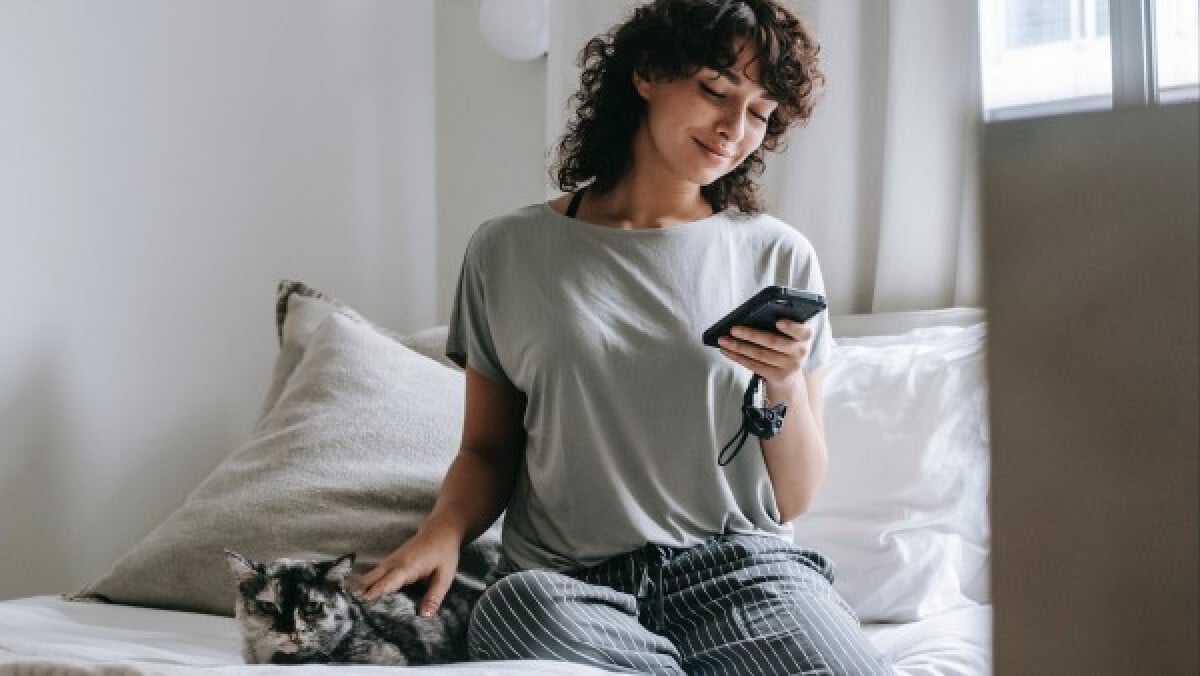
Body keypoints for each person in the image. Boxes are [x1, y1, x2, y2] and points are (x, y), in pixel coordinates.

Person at [355, 0, 892, 673]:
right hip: (567, 587)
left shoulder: (778, 255)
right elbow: (488, 450)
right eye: (716, 90)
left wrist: (782, 382)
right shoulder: (505, 251)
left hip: (744, 574)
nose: (734, 129)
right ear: (647, 73)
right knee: (511, 612)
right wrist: (441, 533)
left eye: (760, 113)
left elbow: (794, 498)